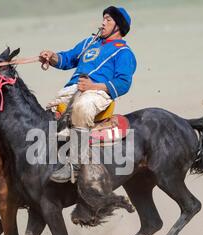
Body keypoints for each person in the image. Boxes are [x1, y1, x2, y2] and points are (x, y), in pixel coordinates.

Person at [39, 6, 137, 183]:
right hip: (73, 89)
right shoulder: (89, 43)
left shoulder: (124, 53)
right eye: (103, 19)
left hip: (99, 93)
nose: (103, 22)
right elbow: (67, 59)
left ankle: (75, 165)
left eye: (108, 20)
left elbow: (124, 83)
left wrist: (93, 86)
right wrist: (51, 56)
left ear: (118, 26)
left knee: (81, 108)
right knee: (49, 110)